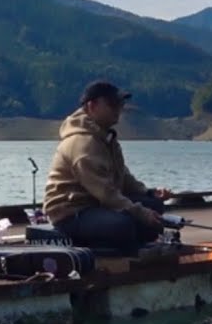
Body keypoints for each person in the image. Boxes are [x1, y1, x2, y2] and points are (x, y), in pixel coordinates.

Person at [42, 80, 173, 255]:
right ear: (92, 106)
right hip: (72, 213)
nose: (118, 109)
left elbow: (123, 177)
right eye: (112, 104)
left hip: (97, 204)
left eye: (120, 104)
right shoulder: (82, 144)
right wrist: (141, 213)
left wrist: (149, 192)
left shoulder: (106, 138)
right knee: (124, 224)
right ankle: (120, 252)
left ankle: (130, 245)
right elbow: (105, 193)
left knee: (154, 205)